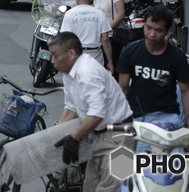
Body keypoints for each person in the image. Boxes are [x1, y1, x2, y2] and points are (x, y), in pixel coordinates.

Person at [48, 31, 133, 192]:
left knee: (112, 188)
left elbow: (96, 113)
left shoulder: (87, 73)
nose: (52, 61)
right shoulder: (69, 74)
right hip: (98, 136)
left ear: (71, 53)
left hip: (120, 136)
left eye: (55, 56)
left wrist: (74, 138)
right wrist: (53, 138)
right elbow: (71, 109)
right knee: (90, 187)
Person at [117, 5, 189, 149]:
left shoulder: (177, 56)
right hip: (139, 116)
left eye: (158, 30)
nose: (152, 34)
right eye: (148, 27)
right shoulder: (130, 51)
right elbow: (123, 90)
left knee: (176, 166)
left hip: (168, 116)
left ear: (167, 31)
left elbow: (186, 91)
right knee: (139, 166)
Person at [60, 0, 113, 69]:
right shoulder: (100, 14)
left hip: (76, 56)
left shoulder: (70, 14)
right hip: (96, 57)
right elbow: (105, 40)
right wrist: (110, 62)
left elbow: (65, 39)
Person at [93, 0, 127, 65]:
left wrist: (106, 29)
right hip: (100, 39)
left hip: (112, 37)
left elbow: (121, 14)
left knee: (113, 67)